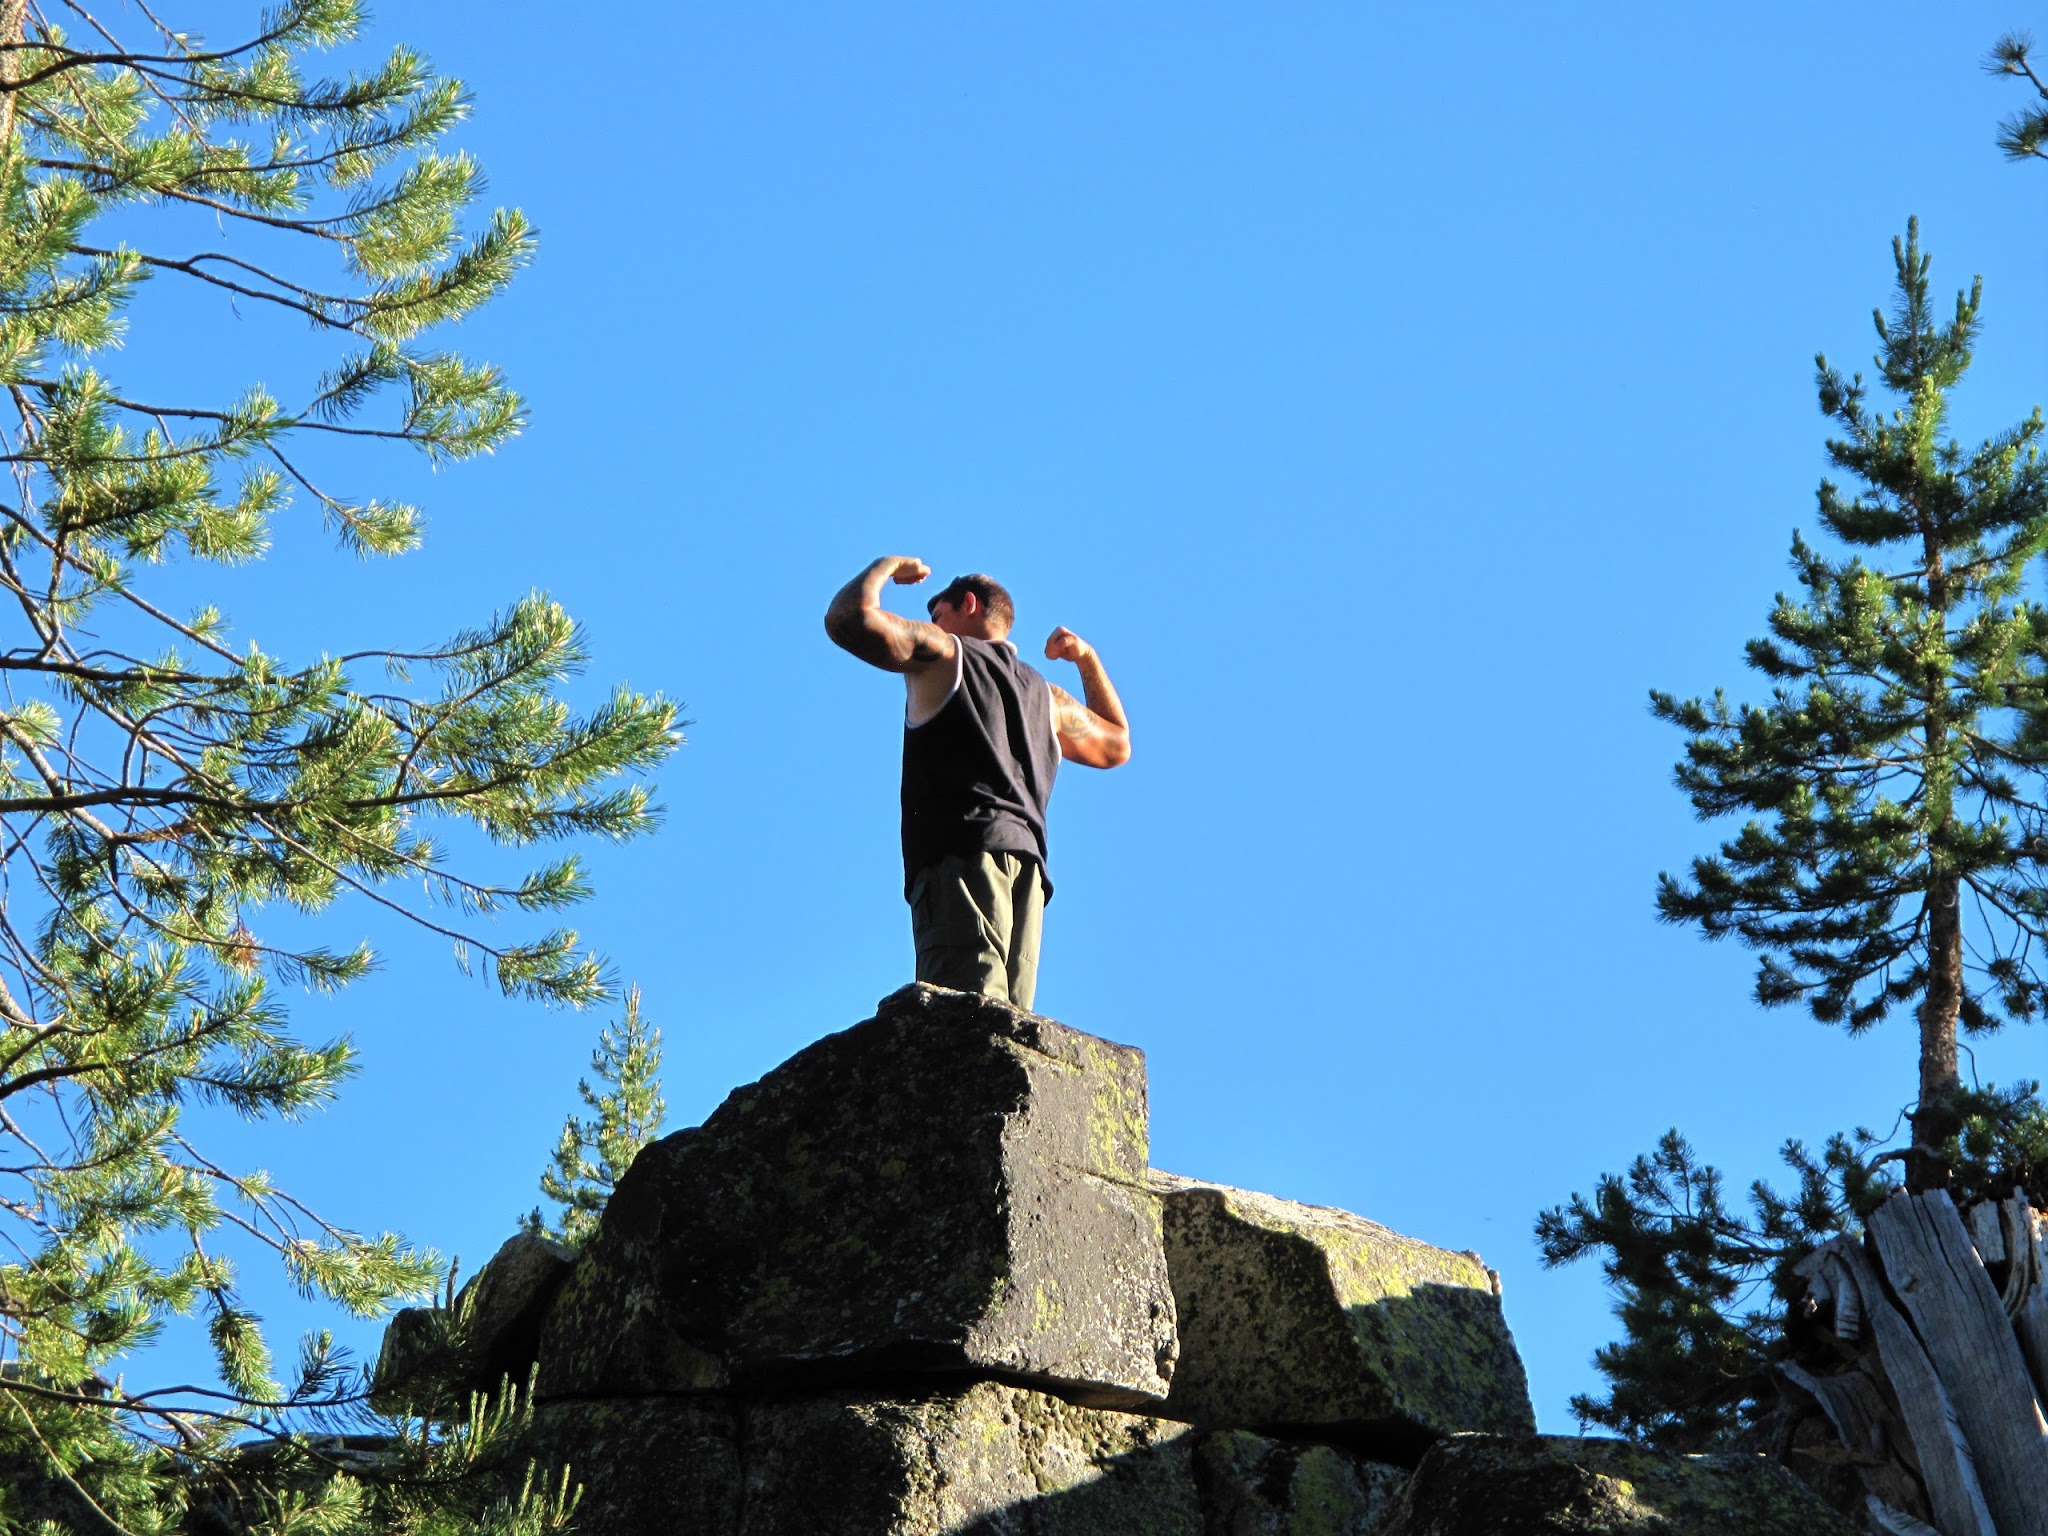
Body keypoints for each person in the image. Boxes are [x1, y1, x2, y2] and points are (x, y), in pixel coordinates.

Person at [824, 555, 1131, 1011]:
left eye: (938, 614)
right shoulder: (1047, 698)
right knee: (1011, 1018)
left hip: (961, 856)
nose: (934, 624)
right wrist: (1087, 659)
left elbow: (850, 619)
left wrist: (885, 567)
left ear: (967, 605)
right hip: (1026, 867)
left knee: (963, 1012)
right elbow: (1116, 742)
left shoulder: (945, 653)